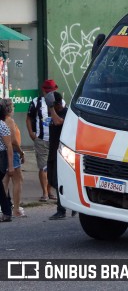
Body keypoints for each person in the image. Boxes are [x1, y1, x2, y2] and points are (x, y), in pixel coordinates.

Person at [26, 79, 59, 202]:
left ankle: (50, 191)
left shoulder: (60, 102)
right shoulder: (35, 102)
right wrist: (31, 134)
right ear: (43, 91)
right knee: (43, 167)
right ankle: (45, 192)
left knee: (52, 167)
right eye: (48, 91)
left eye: (52, 91)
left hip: (55, 140)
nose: (50, 93)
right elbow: (28, 118)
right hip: (41, 139)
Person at [45, 91, 71, 220]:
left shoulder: (66, 113)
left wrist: (51, 108)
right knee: (51, 179)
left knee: (57, 180)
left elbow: (58, 122)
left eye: (51, 105)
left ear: (56, 104)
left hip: (61, 153)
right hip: (52, 151)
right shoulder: (55, 113)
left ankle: (61, 210)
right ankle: (71, 203)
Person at [1, 99, 25, 218]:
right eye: (13, 106)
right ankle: (16, 208)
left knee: (4, 181)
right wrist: (21, 152)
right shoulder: (9, 120)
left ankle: (4, 207)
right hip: (12, 152)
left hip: (4, 153)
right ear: (9, 108)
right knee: (18, 180)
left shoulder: (2, 120)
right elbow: (13, 141)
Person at [0, 103, 15, 222]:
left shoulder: (2, 125)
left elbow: (9, 146)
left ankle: (7, 211)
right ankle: (7, 211)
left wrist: (11, 166)